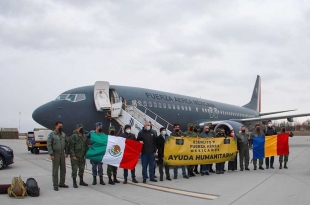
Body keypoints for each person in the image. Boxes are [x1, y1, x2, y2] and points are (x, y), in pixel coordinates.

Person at [47, 122, 69, 191]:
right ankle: (55, 185)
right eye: (59, 126)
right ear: (55, 126)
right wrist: (51, 154)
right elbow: (49, 145)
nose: (61, 127)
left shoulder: (63, 135)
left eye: (61, 126)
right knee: (55, 170)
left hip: (62, 154)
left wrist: (67, 152)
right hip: (55, 154)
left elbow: (66, 143)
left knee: (63, 170)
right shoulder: (51, 135)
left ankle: (62, 183)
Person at [68, 124, 88, 188]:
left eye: (82, 128)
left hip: (82, 156)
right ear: (77, 129)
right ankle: (74, 182)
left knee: (82, 169)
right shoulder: (74, 136)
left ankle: (81, 181)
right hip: (75, 156)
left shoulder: (84, 136)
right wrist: (73, 155)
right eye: (79, 128)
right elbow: (71, 146)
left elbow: (86, 146)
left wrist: (85, 154)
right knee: (75, 169)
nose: (81, 129)